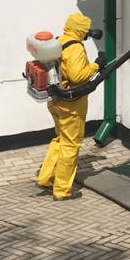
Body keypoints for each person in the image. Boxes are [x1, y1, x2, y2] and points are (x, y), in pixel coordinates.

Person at [36, 12, 105, 200]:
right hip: (71, 105)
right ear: (81, 30)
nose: (88, 33)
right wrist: (97, 65)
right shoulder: (75, 48)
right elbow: (78, 76)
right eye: (86, 30)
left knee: (60, 139)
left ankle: (46, 178)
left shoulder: (59, 41)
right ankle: (62, 190)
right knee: (70, 145)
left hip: (55, 100)